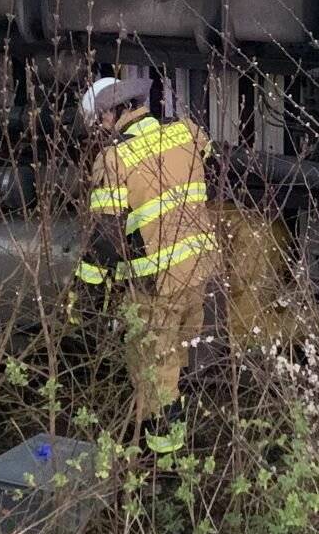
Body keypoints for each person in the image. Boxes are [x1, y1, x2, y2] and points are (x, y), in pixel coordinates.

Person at [74, 76, 218, 426]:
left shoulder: (113, 159)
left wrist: (85, 295)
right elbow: (210, 172)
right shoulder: (186, 131)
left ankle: (165, 462)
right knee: (179, 360)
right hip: (198, 268)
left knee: (156, 375)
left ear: (110, 115)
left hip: (157, 283)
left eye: (99, 123)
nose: (100, 132)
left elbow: (105, 241)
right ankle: (184, 433)